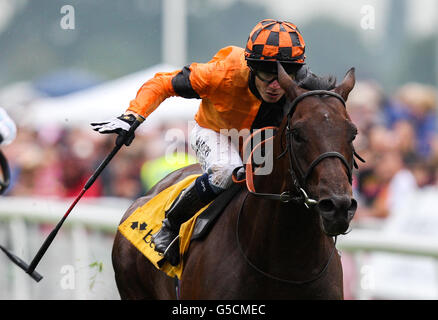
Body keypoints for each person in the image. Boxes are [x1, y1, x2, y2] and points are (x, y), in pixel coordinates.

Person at [92, 19, 315, 265]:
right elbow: (162, 82)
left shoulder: (304, 81)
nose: (275, 85)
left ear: (297, 71)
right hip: (214, 132)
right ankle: (170, 225)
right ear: (251, 67)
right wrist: (133, 115)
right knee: (226, 170)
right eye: (266, 73)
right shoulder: (223, 72)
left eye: (284, 75)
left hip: (259, 138)